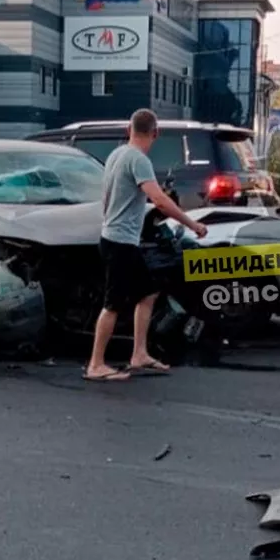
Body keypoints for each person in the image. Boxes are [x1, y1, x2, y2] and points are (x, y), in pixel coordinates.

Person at [84, 109, 208, 382]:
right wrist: (193, 224)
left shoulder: (117, 155)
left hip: (114, 238)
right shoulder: (139, 160)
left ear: (129, 129)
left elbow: (106, 197)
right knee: (113, 304)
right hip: (120, 242)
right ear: (155, 133)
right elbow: (160, 200)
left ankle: (139, 353)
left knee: (148, 292)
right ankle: (96, 365)